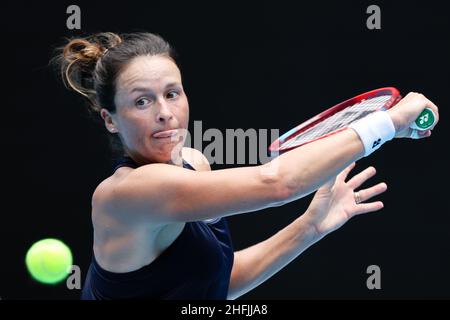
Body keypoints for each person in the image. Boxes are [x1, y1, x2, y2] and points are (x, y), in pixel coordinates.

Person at [53, 32, 439, 299]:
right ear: (110, 118)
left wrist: (310, 227)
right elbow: (278, 183)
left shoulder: (193, 164)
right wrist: (388, 123)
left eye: (172, 93)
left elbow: (217, 285)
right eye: (142, 101)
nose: (165, 113)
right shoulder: (125, 195)